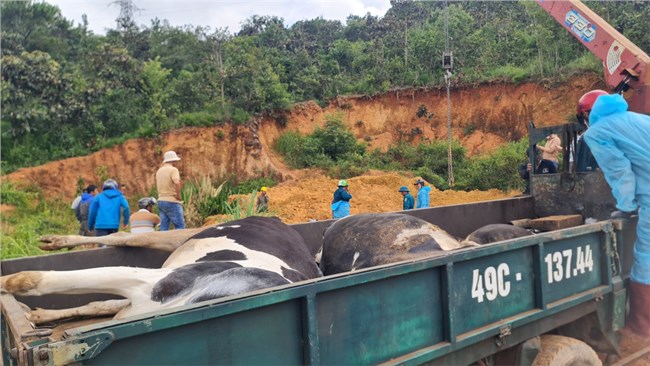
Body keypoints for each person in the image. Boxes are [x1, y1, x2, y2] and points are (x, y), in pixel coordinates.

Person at [578, 90, 650, 337]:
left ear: (587, 115)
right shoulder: (638, 119)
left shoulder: (597, 132)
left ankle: (641, 326)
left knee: (646, 257)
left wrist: (627, 206)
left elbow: (620, 171)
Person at [156, 150, 186, 231]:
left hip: (161, 201)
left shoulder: (159, 171)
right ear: (173, 160)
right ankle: (181, 243)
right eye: (176, 160)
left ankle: (162, 243)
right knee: (180, 227)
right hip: (171, 201)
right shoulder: (173, 170)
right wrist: (178, 196)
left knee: (164, 227)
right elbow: (176, 182)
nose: (177, 162)